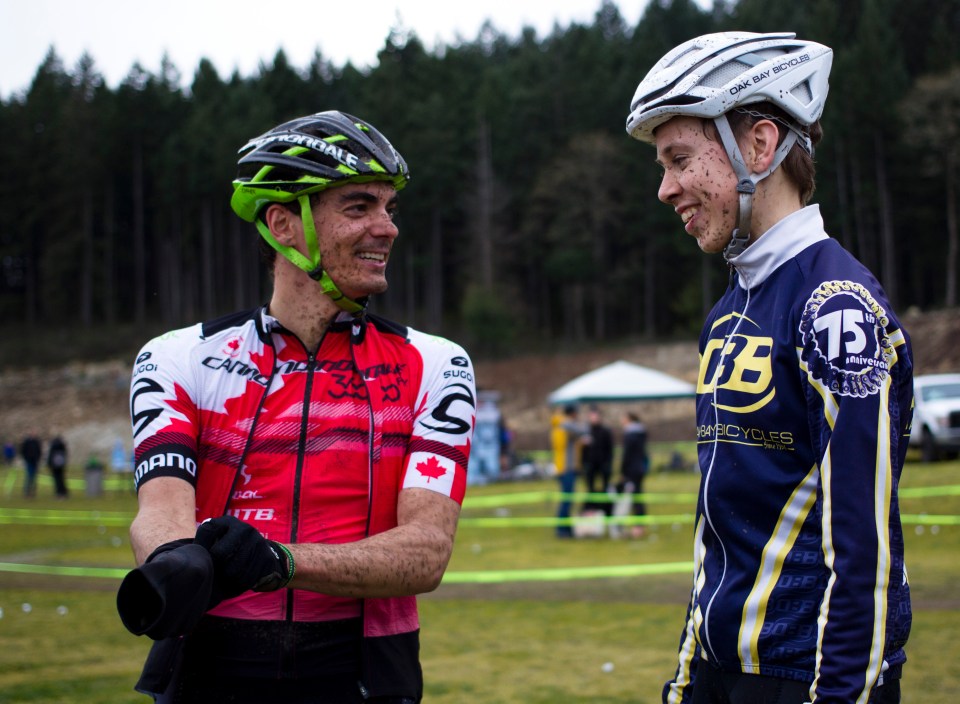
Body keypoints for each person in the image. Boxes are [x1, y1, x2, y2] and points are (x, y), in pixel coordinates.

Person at [117, 111, 477, 703]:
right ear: (283, 224)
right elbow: (160, 511)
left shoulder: (434, 364)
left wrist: (279, 561)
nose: (387, 228)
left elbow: (426, 553)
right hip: (208, 663)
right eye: (359, 207)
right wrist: (172, 563)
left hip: (362, 666)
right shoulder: (181, 357)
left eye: (389, 209)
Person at [625, 32, 913, 704]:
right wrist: (690, 677)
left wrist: (840, 694)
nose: (666, 189)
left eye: (679, 160)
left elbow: (862, 549)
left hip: (807, 679)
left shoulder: (835, 307)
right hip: (720, 675)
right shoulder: (729, 311)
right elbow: (718, 526)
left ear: (759, 146)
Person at [618, 411, 648, 539]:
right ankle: (639, 525)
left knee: (634, 498)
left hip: (631, 471)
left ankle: (637, 527)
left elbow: (627, 455)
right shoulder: (641, 433)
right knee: (638, 497)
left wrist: (623, 472)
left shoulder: (629, 435)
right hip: (640, 469)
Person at [582, 406, 614, 500]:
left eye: (595, 416)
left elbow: (609, 448)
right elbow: (584, 451)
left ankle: (606, 508)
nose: (594, 418)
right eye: (592, 416)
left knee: (605, 488)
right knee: (590, 489)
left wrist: (608, 463)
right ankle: (591, 508)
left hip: (603, 463)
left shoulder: (605, 431)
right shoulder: (586, 431)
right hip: (590, 464)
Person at [19, 431, 41, 498]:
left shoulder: (36, 442)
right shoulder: (26, 442)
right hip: (29, 461)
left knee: (34, 477)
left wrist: (37, 458)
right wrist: (26, 458)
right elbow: (23, 451)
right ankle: (27, 491)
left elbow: (39, 451)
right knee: (29, 476)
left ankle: (33, 491)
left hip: (35, 462)